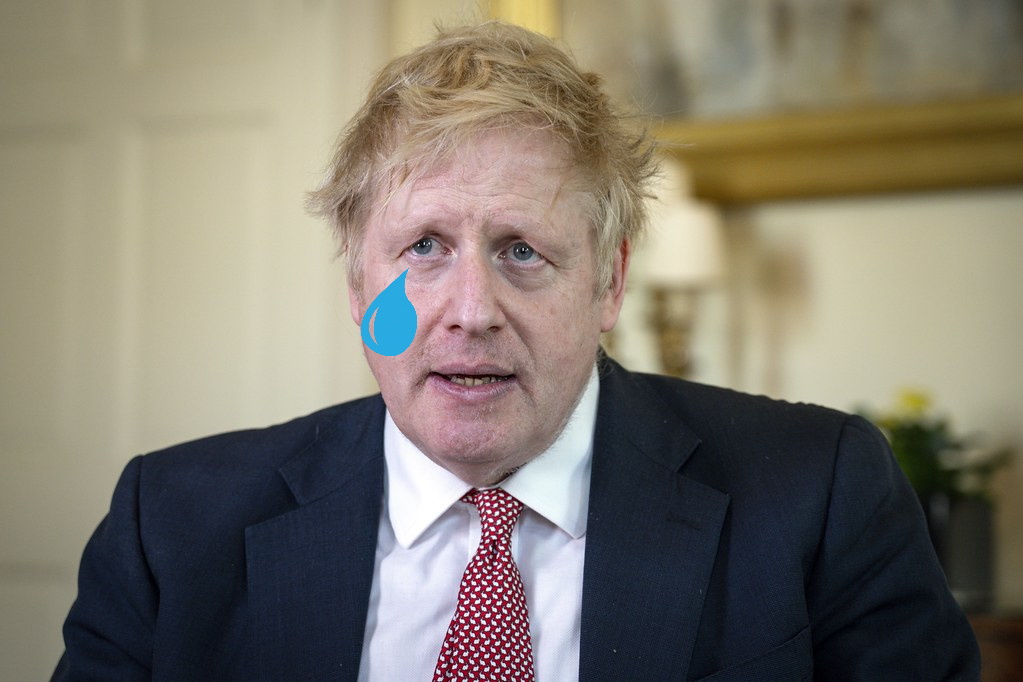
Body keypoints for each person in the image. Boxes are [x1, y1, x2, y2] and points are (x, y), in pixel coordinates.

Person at [53, 21, 979, 681]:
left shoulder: (821, 492)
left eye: (523, 252)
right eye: (423, 248)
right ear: (357, 283)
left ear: (609, 282)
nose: (471, 312)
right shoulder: (170, 525)